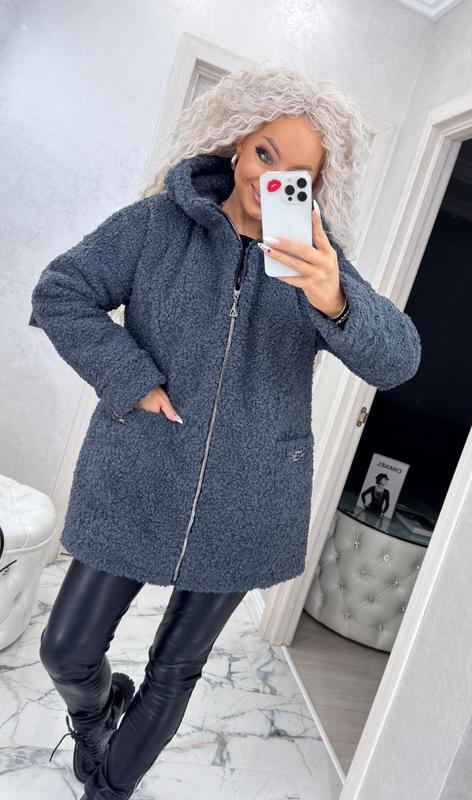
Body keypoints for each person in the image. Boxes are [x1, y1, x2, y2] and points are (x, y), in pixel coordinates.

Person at [32, 62, 422, 799]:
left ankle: (109, 789)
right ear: (238, 143)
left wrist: (334, 299)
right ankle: (95, 716)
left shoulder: (316, 265)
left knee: (175, 670)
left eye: (295, 174)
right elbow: (62, 291)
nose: (269, 179)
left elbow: (399, 359)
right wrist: (131, 377)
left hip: (250, 499)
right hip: (140, 476)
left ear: (315, 188)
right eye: (264, 153)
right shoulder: (156, 226)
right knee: (66, 648)